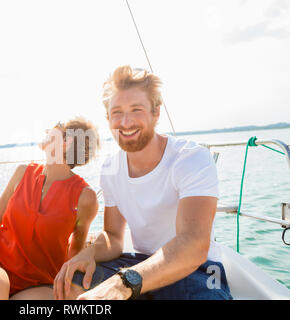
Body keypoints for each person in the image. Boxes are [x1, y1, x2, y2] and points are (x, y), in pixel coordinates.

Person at [53, 66, 232, 300]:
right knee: (72, 283)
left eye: (136, 109)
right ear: (108, 118)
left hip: (198, 270)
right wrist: (89, 253)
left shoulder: (190, 158)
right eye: (116, 112)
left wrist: (122, 285)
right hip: (139, 262)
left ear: (156, 113)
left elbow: (193, 244)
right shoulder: (110, 169)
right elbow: (114, 236)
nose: (125, 122)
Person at [0, 116, 100, 299]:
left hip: (39, 284)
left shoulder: (85, 197)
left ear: (66, 141)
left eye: (54, 128)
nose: (47, 131)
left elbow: (75, 253)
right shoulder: (23, 172)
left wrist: (92, 246)